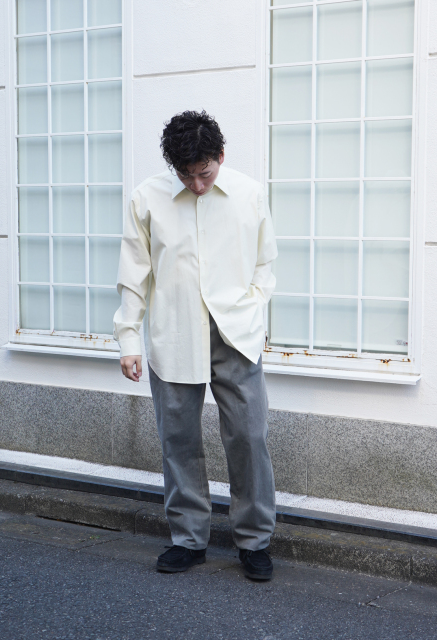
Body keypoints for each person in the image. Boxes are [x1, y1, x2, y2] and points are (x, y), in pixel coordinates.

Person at [113, 110, 277, 581]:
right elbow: (134, 273)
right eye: (187, 176)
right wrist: (129, 338)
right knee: (178, 439)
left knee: (249, 437)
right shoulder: (147, 198)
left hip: (235, 334)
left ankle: (254, 541)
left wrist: (250, 307)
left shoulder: (249, 194)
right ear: (173, 167)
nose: (198, 185)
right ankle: (188, 539)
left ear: (220, 156)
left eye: (205, 172)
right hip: (174, 331)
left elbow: (265, 263)